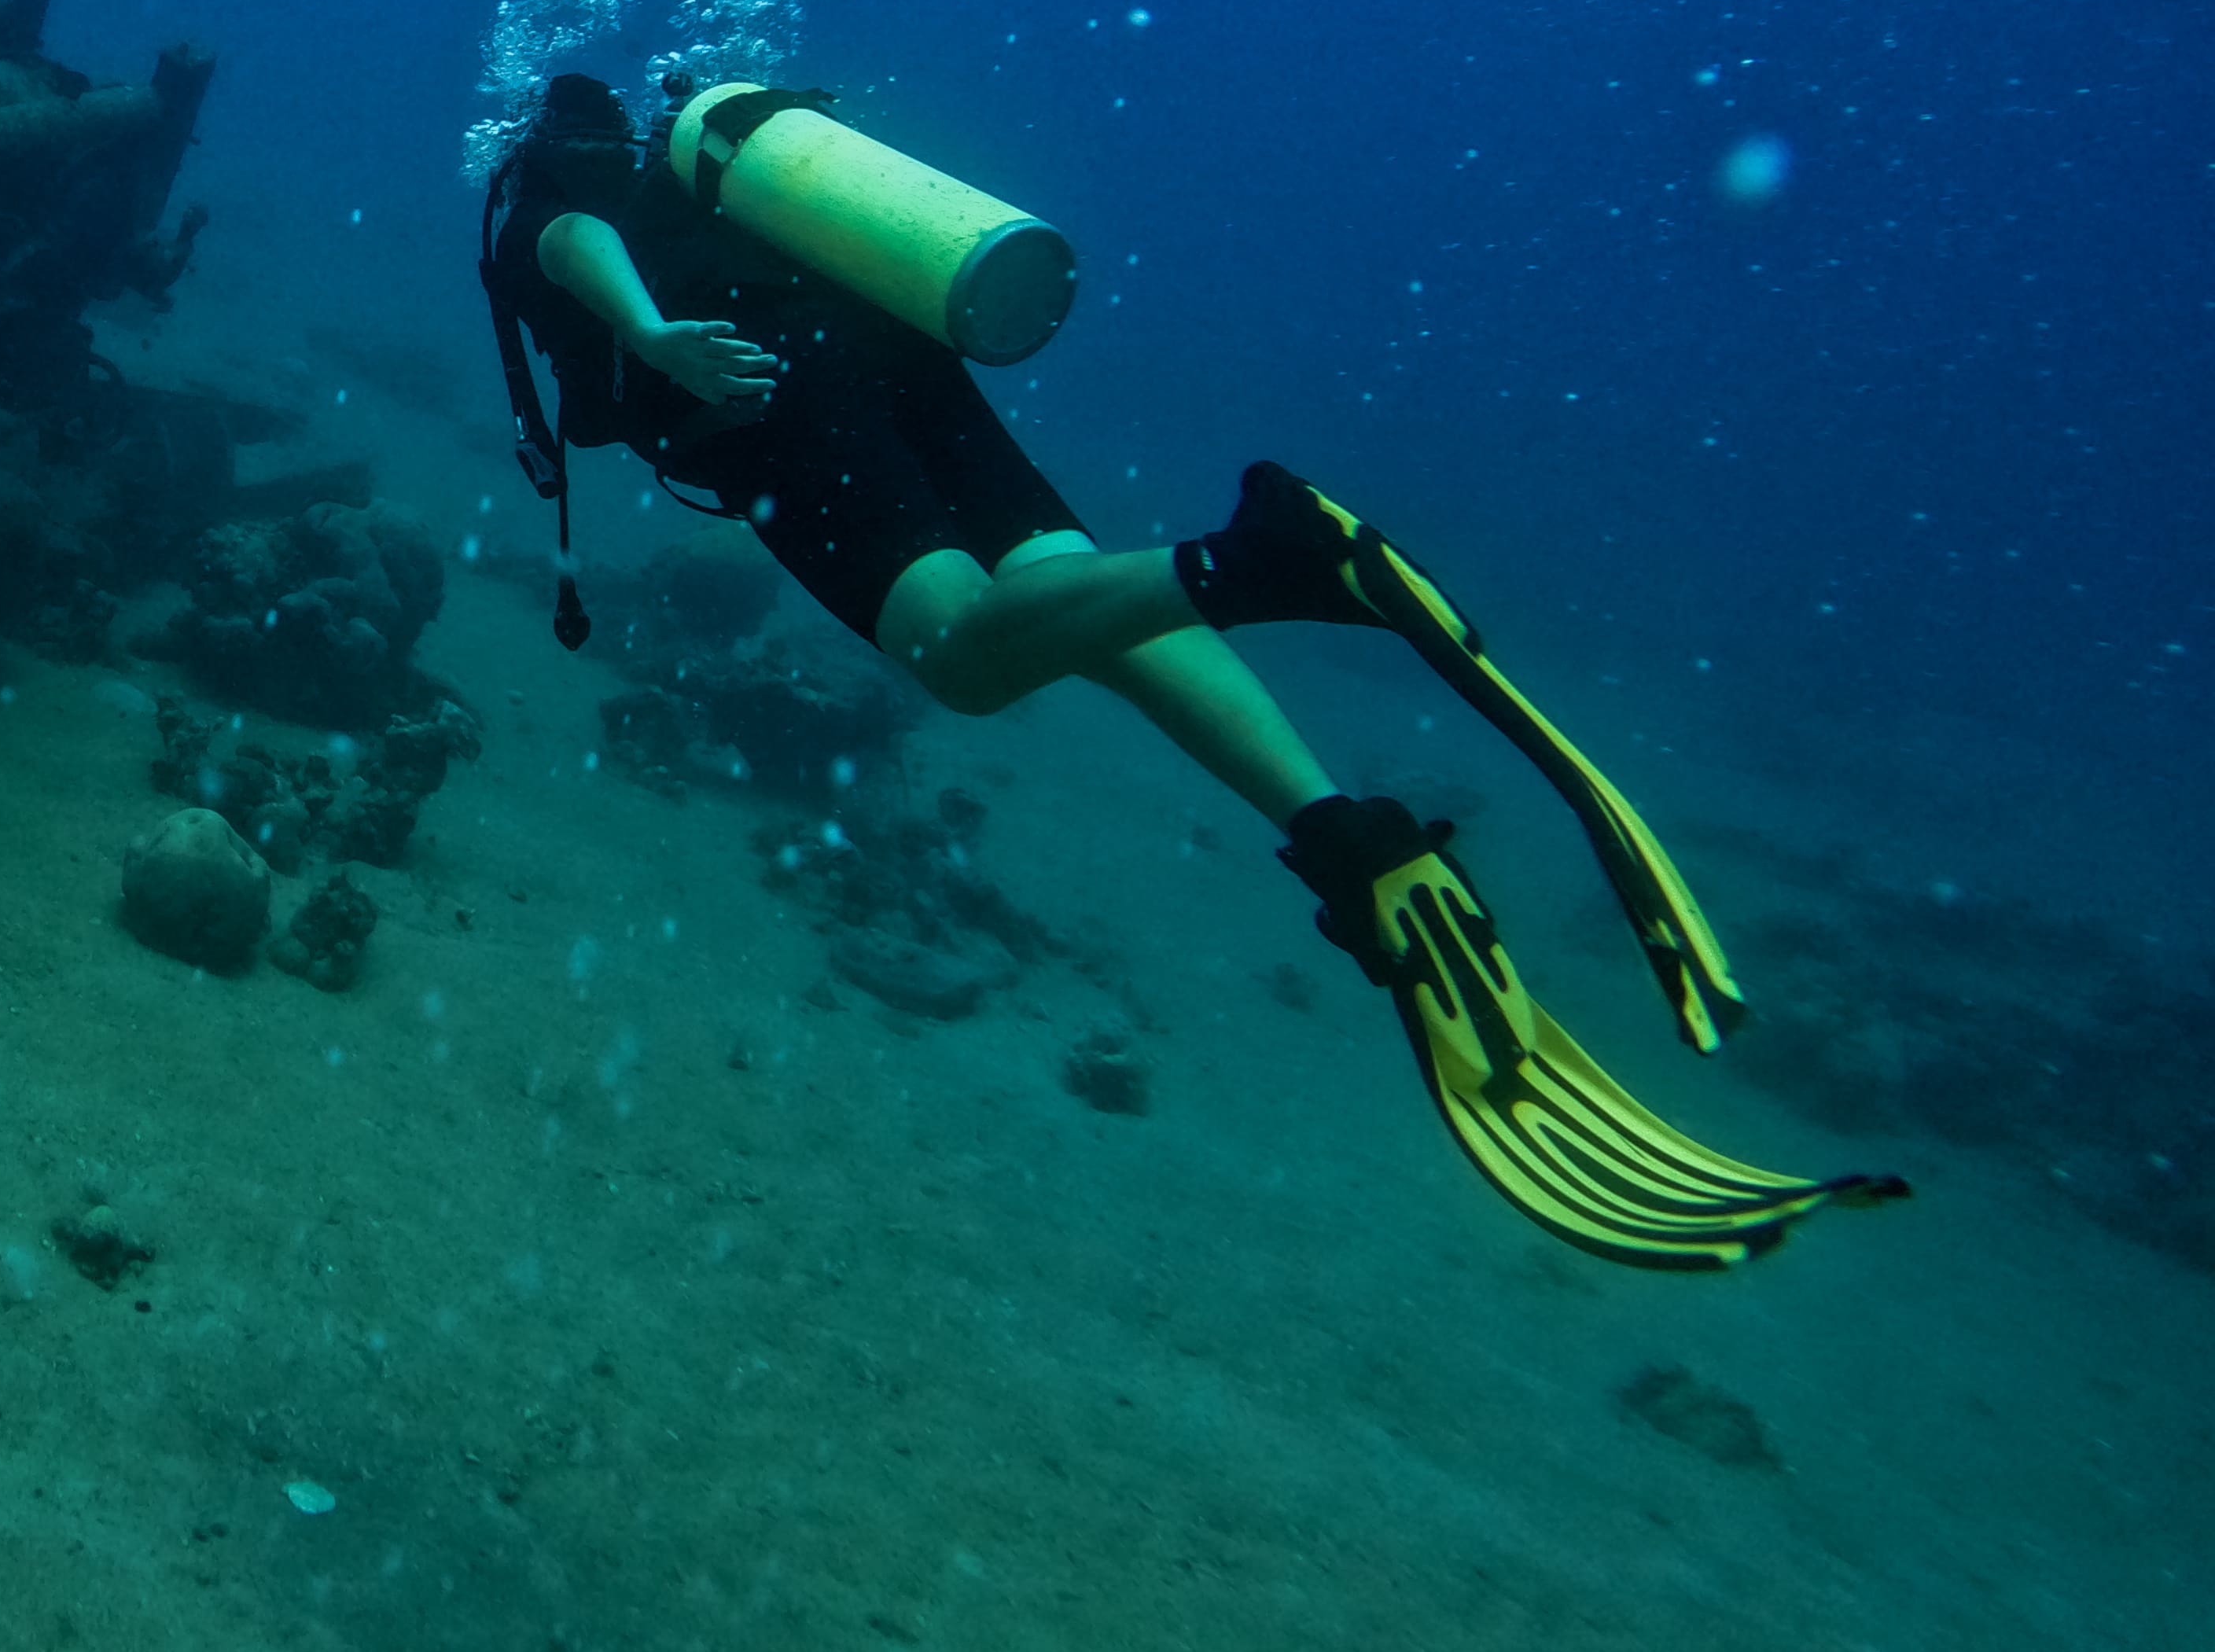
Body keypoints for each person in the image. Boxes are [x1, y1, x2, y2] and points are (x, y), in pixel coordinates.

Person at [476, 64, 1907, 1271]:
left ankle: (1266, 561)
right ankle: (1344, 832)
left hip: (774, 386)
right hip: (893, 340)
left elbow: (559, 251)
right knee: (1066, 595)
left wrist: (659, 333)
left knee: (968, 658)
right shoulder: (748, 188)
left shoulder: (544, 193)